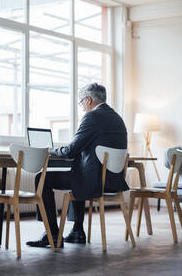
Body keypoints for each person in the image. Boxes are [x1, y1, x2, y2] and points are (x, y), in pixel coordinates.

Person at [26, 83, 129, 248]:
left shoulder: (92, 117)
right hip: (113, 180)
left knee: (42, 179)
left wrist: (51, 151)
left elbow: (70, 151)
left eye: (81, 103)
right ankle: (77, 231)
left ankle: (52, 234)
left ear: (88, 100)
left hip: (94, 180)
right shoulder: (117, 118)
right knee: (78, 171)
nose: (82, 108)